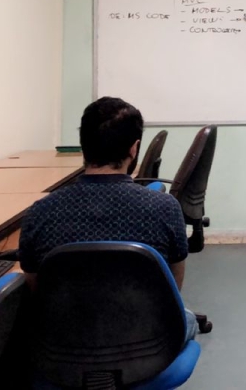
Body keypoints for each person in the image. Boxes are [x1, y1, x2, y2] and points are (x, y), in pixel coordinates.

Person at [18, 97, 198, 341]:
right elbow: (173, 290)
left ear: (83, 146)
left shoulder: (39, 213)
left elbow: (35, 291)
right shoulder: (165, 208)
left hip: (66, 348)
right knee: (186, 318)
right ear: (134, 149)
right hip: (147, 344)